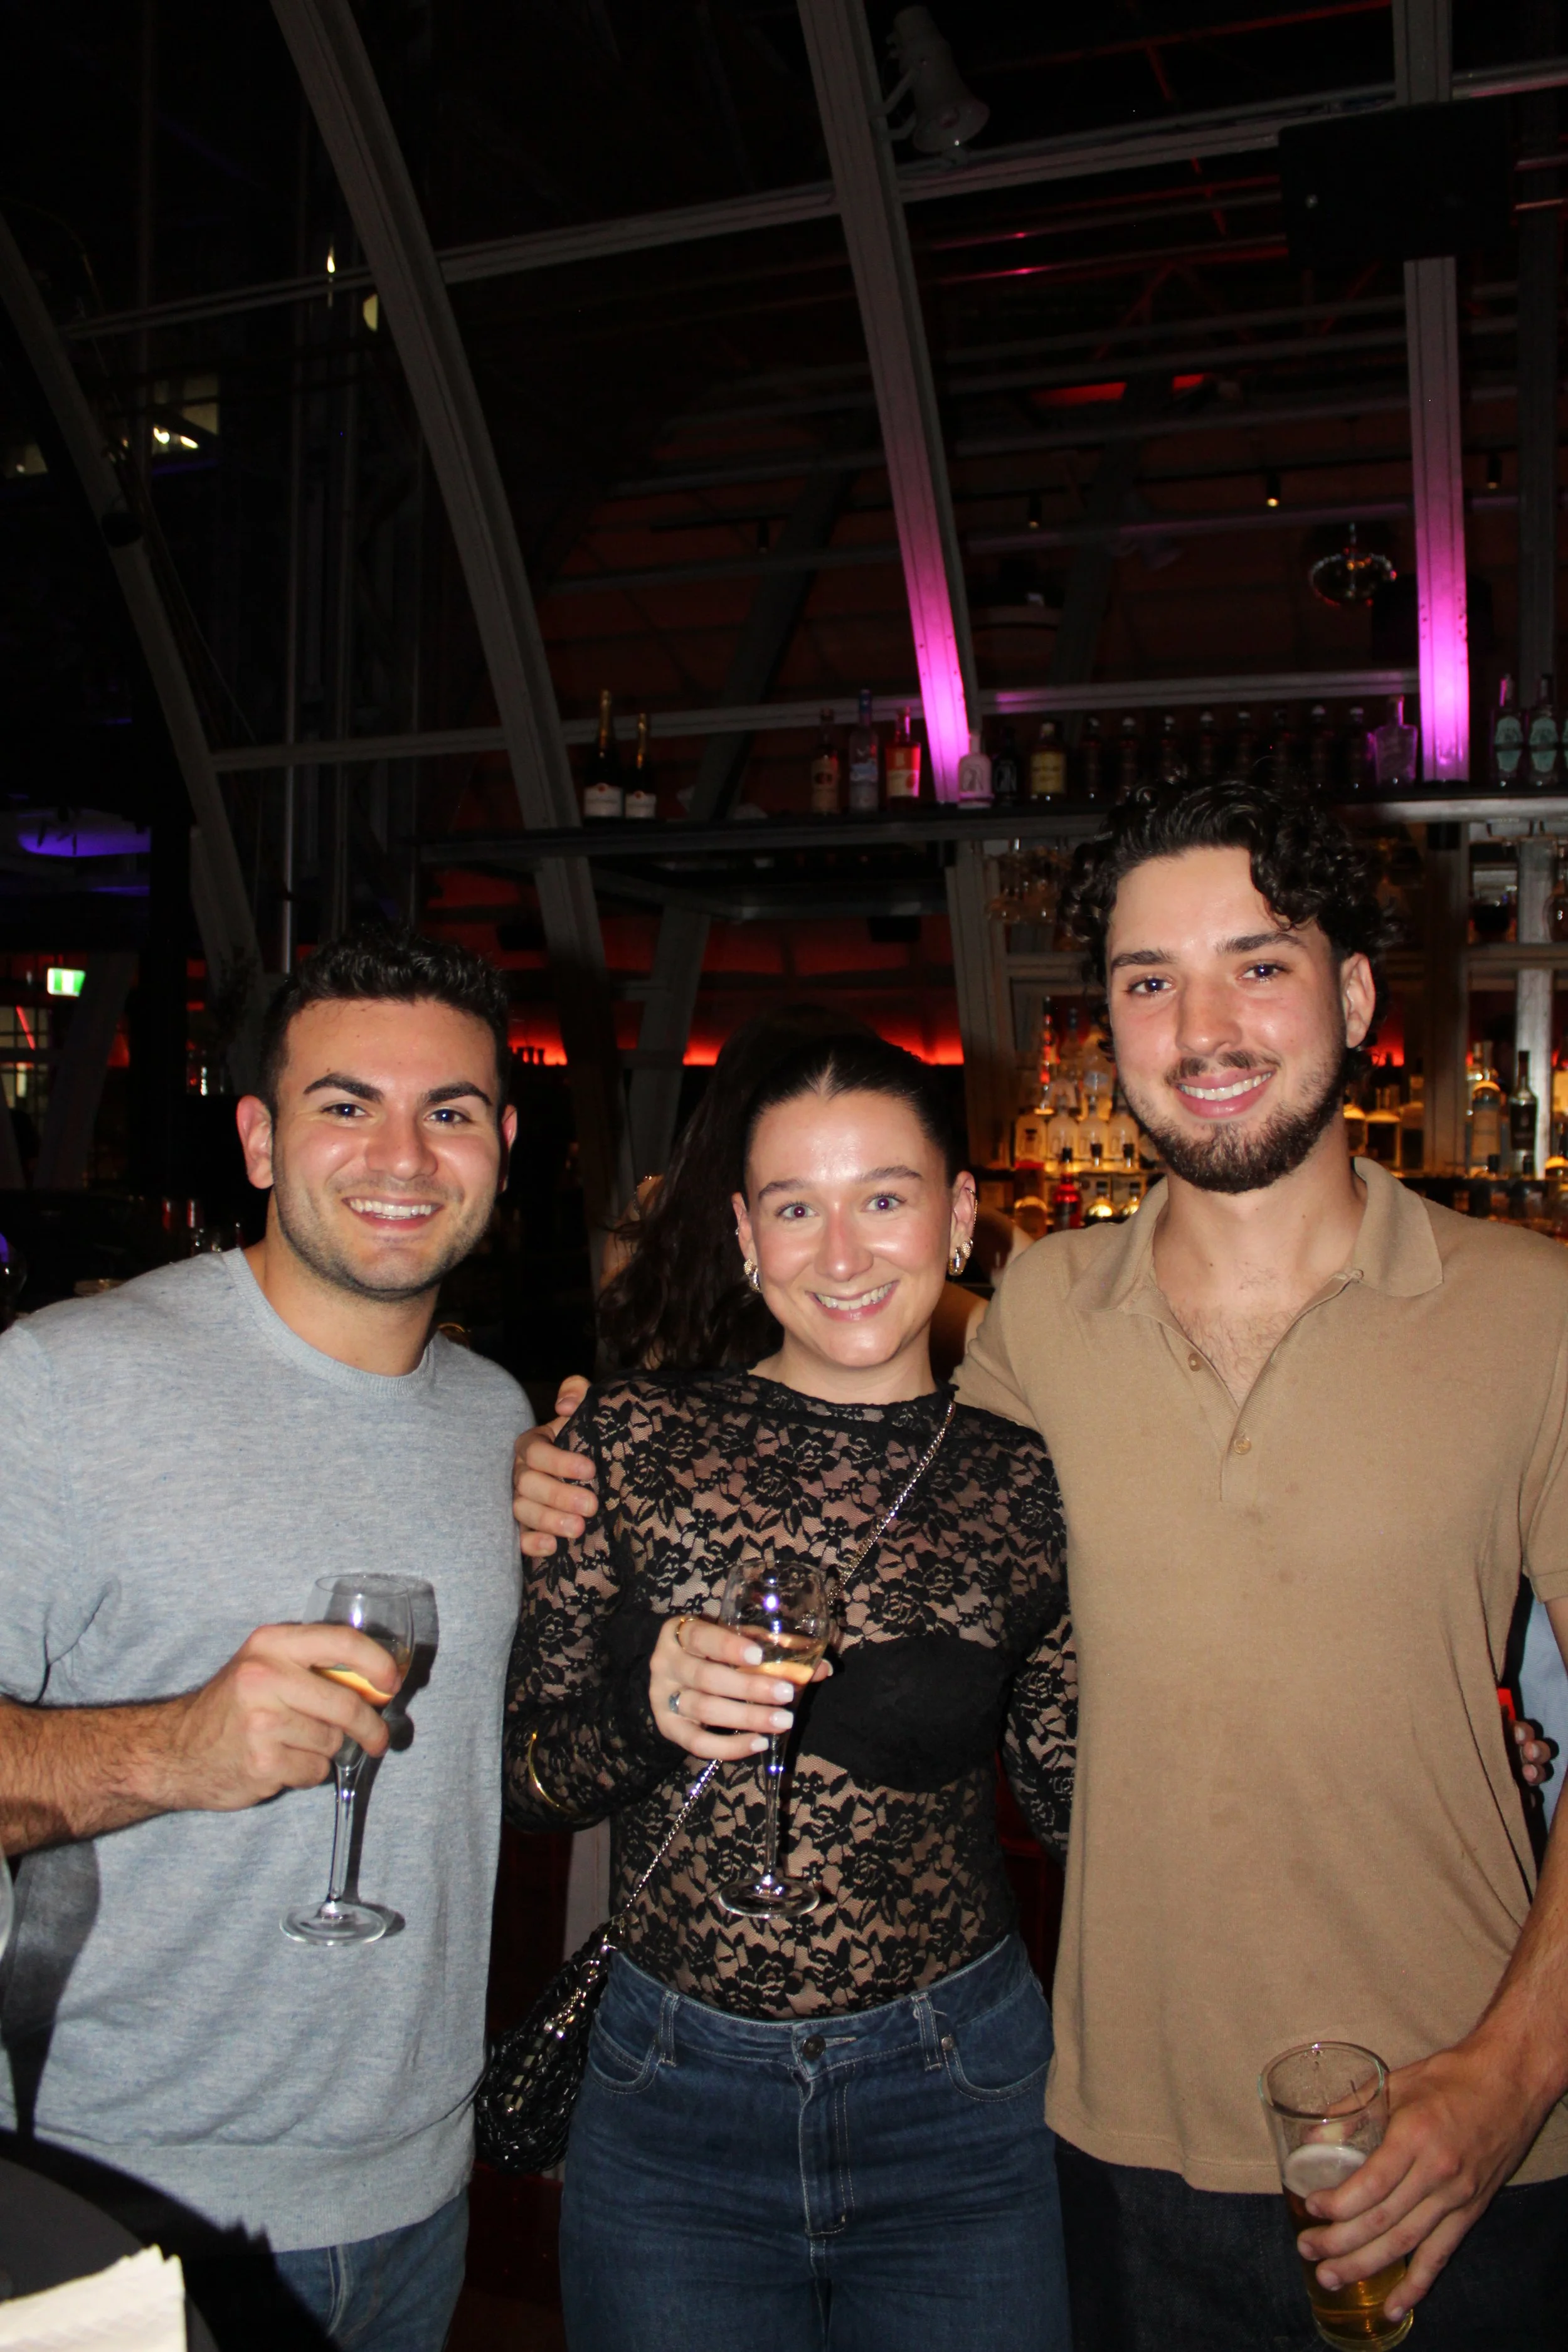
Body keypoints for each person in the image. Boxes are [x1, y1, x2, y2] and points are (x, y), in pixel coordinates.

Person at [514, 782, 1568, 2351]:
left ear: (1352, 994)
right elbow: (888, 1485)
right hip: (1106, 2124)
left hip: (1442, 2128)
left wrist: (1509, 2077)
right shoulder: (1035, 1327)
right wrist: (578, 1484)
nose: (1199, 1026)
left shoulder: (1531, 1313)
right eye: (1149, 980)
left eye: (1255, 963)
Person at [0, 928, 533, 2352]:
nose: (403, 1158)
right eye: (344, 1106)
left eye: (451, 1113)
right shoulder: (63, 1383)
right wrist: (169, 1749)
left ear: (502, 1143)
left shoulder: (502, 1424)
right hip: (115, 2200)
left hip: (416, 2191)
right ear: (257, 1138)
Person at [504, 1034, 1076, 2352]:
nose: (840, 1253)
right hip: (668, 2098)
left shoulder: (1030, 1487)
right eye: (794, 1207)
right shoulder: (628, 1441)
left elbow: (1074, 1804)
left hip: (958, 2093)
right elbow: (523, 1782)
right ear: (742, 1234)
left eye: (883, 1197)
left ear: (960, 1217)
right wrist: (642, 1711)